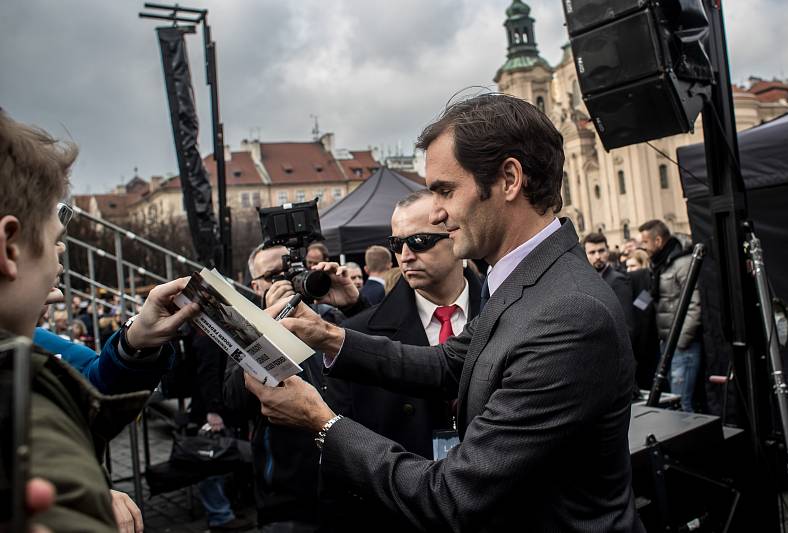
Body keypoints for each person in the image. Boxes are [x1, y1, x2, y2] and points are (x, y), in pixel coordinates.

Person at [244, 94, 641, 532]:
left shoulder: (569, 315)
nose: (436, 213)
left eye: (445, 191)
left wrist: (320, 422)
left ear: (509, 179)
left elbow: (454, 495)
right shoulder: (523, 279)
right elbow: (449, 363)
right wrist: (328, 336)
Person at [0, 109, 200, 532]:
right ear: (9, 248)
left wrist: (135, 342)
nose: (62, 256)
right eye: (56, 240)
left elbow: (90, 392)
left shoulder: (31, 342)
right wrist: (80, 495)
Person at [344, 189, 483, 460]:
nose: (405, 256)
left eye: (419, 241)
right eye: (397, 244)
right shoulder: (357, 336)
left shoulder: (506, 312)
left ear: (456, 235)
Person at [226, 244, 357, 531]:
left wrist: (352, 306)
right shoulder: (243, 329)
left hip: (349, 484)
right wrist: (265, 327)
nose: (286, 282)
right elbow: (233, 401)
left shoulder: (331, 318)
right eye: (274, 275)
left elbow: (377, 368)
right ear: (256, 285)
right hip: (288, 497)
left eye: (291, 272)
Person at [639, 219, 702, 412]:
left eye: (645, 242)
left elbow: (694, 305)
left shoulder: (682, 264)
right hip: (667, 344)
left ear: (658, 241)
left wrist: (681, 342)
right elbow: (652, 296)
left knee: (682, 402)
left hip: (682, 346)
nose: (643, 247)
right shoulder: (659, 265)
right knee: (674, 400)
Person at [583, 232, 634, 336]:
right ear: (585, 254)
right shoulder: (586, 279)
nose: (597, 256)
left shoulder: (617, 280)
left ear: (608, 251)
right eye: (592, 252)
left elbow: (627, 324)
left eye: (601, 251)